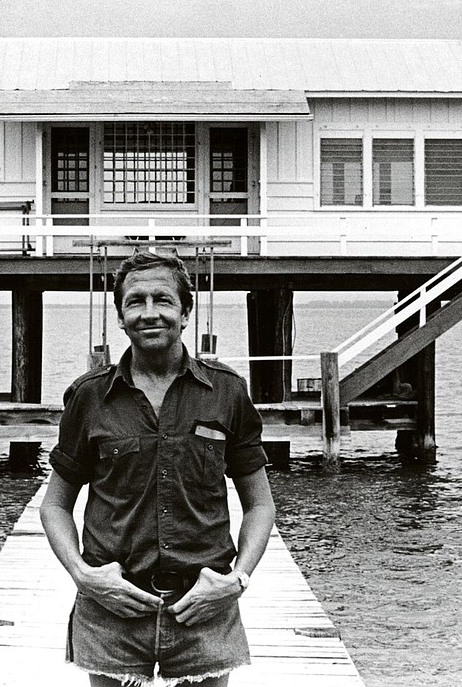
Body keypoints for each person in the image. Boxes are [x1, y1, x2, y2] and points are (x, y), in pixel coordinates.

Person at [40, 250, 276, 687]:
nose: (150, 313)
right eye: (135, 302)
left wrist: (236, 580)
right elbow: (55, 504)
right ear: (121, 316)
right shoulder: (89, 397)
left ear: (186, 312)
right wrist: (83, 576)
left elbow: (260, 504)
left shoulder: (226, 392)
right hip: (114, 605)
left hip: (203, 604)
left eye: (163, 300)